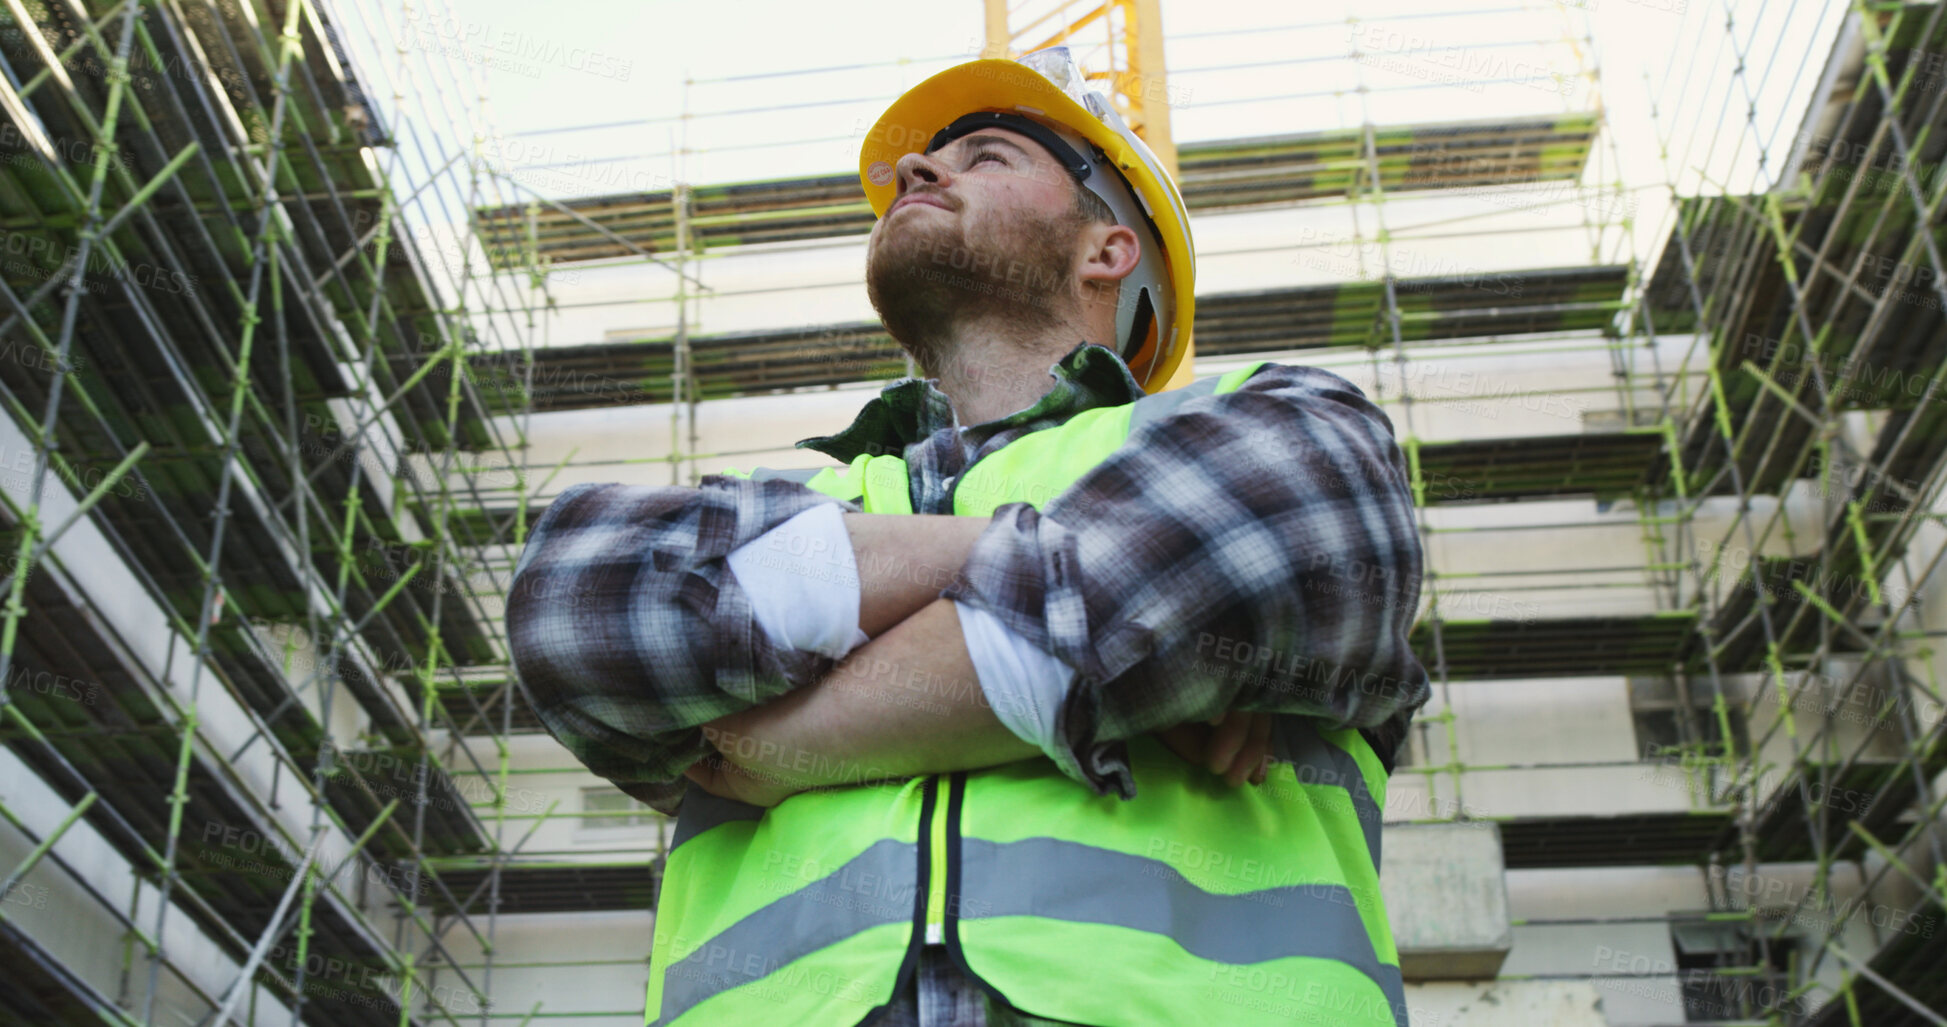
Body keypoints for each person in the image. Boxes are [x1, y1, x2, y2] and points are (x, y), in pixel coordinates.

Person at [506, 46, 1428, 1027]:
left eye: (987, 156)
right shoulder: (823, 490)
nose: (918, 168)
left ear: (1107, 249)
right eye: (927, 160)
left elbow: (1280, 532)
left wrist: (779, 738)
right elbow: (569, 609)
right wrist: (1085, 617)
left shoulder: (1281, 423)